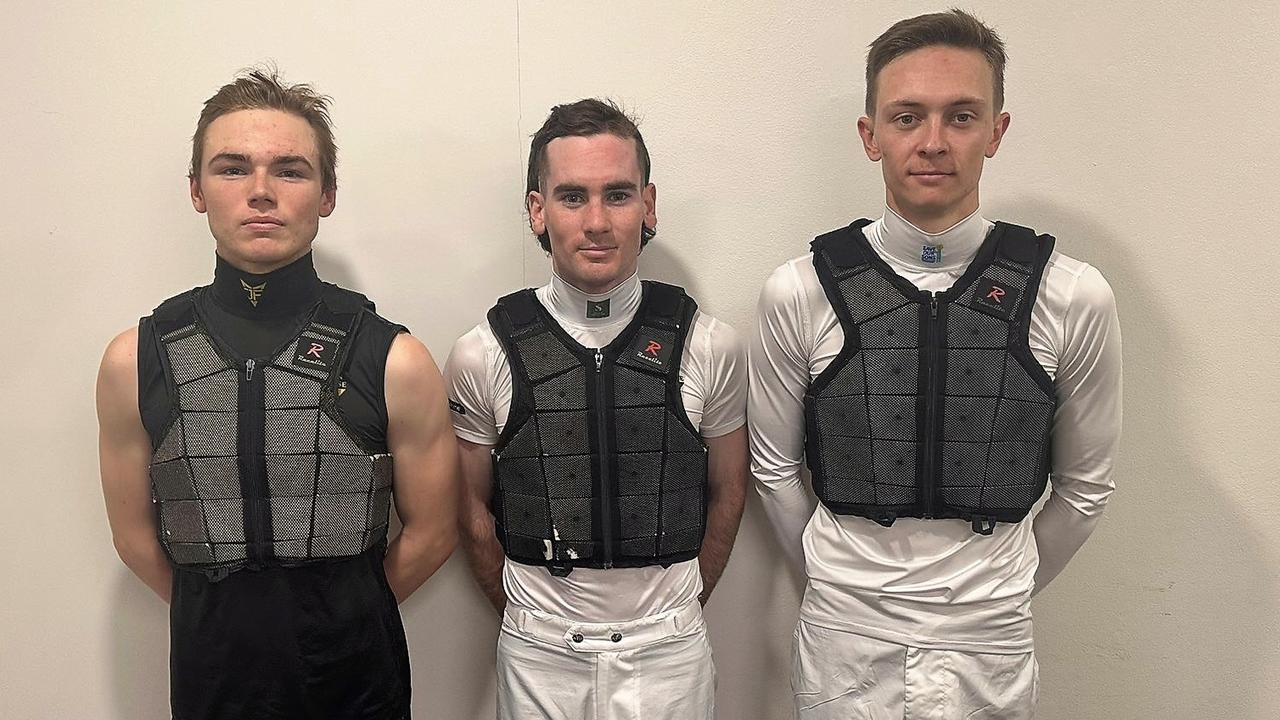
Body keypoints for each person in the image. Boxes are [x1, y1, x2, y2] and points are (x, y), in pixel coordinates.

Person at [748, 10, 1123, 718]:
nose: (931, 142)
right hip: (843, 641)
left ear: (996, 132)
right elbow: (772, 469)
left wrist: (990, 588)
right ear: (871, 135)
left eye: (960, 116)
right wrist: (842, 579)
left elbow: (1084, 491)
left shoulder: (1074, 295)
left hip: (991, 639)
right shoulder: (797, 291)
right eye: (907, 116)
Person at [95, 68, 459, 720]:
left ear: (327, 194)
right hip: (211, 687)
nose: (261, 192)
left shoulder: (394, 359)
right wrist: (233, 626)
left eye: (290, 170)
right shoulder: (136, 358)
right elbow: (133, 539)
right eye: (233, 169)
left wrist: (336, 619)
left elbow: (433, 534)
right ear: (197, 191)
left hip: (360, 689)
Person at [446, 98, 748, 720]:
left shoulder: (710, 344)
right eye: (572, 196)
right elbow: (468, 506)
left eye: (617, 194)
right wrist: (529, 618)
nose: (597, 222)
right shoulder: (483, 352)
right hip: (538, 654)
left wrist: (682, 605)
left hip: (670, 651)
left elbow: (729, 490)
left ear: (649, 205)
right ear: (538, 210)